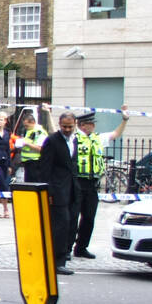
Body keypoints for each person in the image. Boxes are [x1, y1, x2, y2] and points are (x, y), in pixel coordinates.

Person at [71, 107, 130, 259]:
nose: (94, 126)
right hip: (77, 182)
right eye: (91, 123)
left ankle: (81, 247)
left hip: (92, 184)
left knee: (89, 218)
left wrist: (124, 120)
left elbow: (116, 134)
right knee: (72, 217)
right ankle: (65, 249)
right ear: (83, 125)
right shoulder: (73, 137)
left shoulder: (98, 138)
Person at [36, 109, 79, 276]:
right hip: (57, 189)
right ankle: (56, 261)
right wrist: (49, 192)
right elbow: (45, 168)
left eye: (70, 126)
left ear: (74, 125)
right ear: (60, 125)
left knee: (70, 225)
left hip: (72, 189)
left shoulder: (74, 141)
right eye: (64, 126)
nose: (67, 129)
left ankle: (65, 254)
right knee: (60, 225)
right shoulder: (52, 141)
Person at [15, 106, 50, 184]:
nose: (25, 127)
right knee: (28, 184)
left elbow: (41, 148)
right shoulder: (28, 131)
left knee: (34, 184)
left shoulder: (39, 132)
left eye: (27, 125)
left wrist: (26, 143)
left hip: (36, 163)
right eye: (24, 125)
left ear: (33, 122)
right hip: (28, 162)